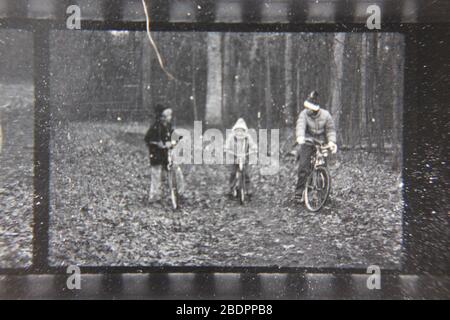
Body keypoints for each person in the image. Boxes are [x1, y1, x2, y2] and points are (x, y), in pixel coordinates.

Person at [295, 91, 337, 201]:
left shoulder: (326, 115)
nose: (307, 109)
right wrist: (300, 136)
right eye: (306, 107)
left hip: (321, 143)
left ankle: (324, 194)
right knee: (303, 166)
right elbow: (300, 125)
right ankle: (299, 193)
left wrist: (331, 141)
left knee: (323, 167)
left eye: (309, 108)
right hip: (308, 141)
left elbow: (330, 130)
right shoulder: (303, 114)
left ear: (315, 109)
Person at [144, 104, 174, 203]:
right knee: (156, 174)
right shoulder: (155, 127)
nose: (170, 117)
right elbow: (148, 139)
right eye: (167, 115)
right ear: (161, 116)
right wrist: (157, 143)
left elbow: (174, 136)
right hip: (156, 154)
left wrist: (172, 142)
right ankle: (154, 197)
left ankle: (176, 194)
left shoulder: (169, 126)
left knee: (172, 173)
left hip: (166, 154)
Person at [225, 118, 257, 198]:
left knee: (246, 173)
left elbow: (252, 144)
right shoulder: (231, 137)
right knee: (233, 173)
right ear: (234, 131)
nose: (239, 133)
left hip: (244, 156)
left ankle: (248, 189)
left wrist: (254, 148)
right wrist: (226, 148)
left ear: (244, 131)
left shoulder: (247, 137)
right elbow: (227, 145)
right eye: (237, 131)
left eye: (241, 131)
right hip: (234, 157)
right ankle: (231, 188)